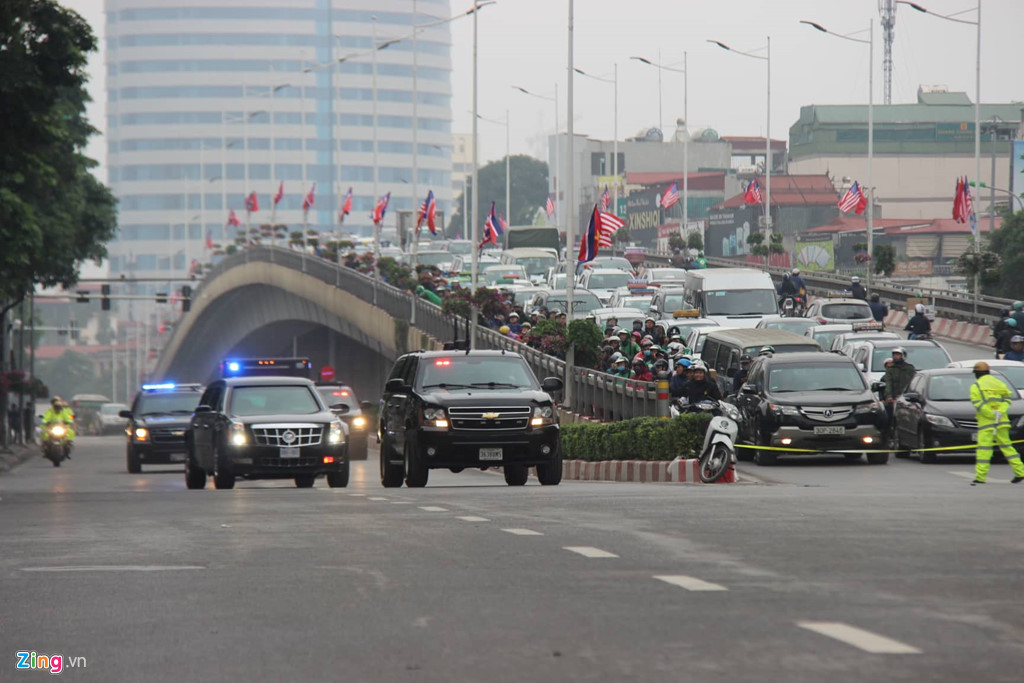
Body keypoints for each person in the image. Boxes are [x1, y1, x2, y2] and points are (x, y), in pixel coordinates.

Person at [968, 361, 1024, 485]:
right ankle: (1020, 472)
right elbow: (1007, 399)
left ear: (977, 374)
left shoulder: (976, 387)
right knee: (1007, 447)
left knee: (984, 450)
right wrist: (1000, 411)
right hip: (1002, 422)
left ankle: (980, 477)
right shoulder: (999, 383)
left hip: (986, 424)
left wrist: (991, 414)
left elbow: (979, 404)